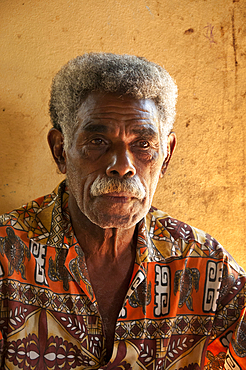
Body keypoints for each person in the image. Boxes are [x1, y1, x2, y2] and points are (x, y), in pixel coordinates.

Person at [0, 53, 245, 370]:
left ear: (166, 157)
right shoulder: (6, 256)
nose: (123, 166)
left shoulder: (204, 265)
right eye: (98, 140)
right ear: (60, 150)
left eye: (143, 144)